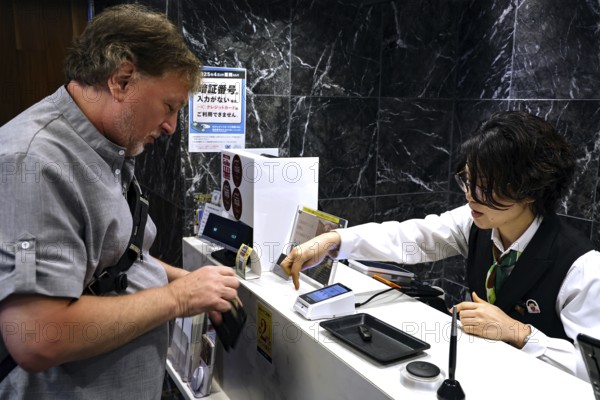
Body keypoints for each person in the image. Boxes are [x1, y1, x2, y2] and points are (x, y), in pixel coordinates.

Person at [0, 4, 240, 399]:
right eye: (169, 106)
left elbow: (112, 255)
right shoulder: (35, 162)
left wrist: (183, 280)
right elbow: (38, 336)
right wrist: (178, 298)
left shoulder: (106, 150)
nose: (170, 126)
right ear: (122, 80)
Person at [280, 110, 600, 382]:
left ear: (530, 190)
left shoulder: (582, 267)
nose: (471, 195)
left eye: (487, 188)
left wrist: (520, 333)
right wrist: (334, 240)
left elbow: (591, 370)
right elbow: (415, 238)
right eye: (468, 179)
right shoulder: (476, 222)